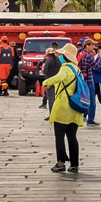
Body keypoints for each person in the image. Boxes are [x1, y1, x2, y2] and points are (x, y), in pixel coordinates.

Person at [42, 43, 84, 173]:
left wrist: (46, 82)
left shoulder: (65, 68)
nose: (59, 56)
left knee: (59, 136)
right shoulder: (77, 69)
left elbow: (58, 78)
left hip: (63, 107)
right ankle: (74, 164)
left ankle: (61, 163)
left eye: (61, 55)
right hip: (76, 106)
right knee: (72, 136)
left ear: (66, 56)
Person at [40, 44, 61, 115]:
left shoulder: (48, 61)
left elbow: (45, 71)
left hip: (49, 80)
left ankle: (52, 113)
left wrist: (43, 69)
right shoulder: (58, 60)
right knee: (57, 97)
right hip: (57, 80)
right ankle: (58, 112)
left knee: (51, 98)